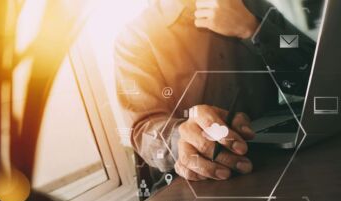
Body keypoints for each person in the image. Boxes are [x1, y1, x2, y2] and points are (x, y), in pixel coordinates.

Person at [114, 0, 315, 186]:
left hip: (280, 166)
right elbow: (143, 129)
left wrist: (253, 28)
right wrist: (181, 137)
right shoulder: (135, 37)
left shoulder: (254, 7)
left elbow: (315, 70)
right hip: (199, 184)